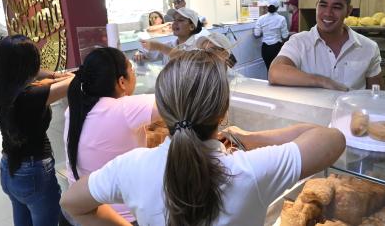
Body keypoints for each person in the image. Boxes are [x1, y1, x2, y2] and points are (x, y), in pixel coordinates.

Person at [60, 50, 345, 226]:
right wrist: (248, 138)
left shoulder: (130, 167)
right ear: (222, 111)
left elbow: (71, 203)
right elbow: (331, 139)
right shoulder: (250, 170)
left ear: (163, 109)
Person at [63, 47, 159, 225]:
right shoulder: (124, 109)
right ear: (122, 82)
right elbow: (179, 99)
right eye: (131, 68)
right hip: (122, 217)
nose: (134, 73)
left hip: (84, 209)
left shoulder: (74, 109)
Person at [0, 35, 74, 226]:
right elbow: (72, 83)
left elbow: (38, 77)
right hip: (33, 173)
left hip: (9, 169)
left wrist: (52, 76)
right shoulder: (30, 96)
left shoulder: (1, 86)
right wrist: (68, 75)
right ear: (29, 64)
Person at [269, 0, 384, 91]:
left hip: (351, 111)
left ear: (348, 11)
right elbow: (275, 72)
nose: (328, 13)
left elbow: (377, 95)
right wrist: (323, 81)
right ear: (316, 6)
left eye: (336, 7)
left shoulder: (369, 47)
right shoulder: (299, 42)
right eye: (323, 5)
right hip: (311, 111)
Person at [135, 7, 209, 64]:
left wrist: (160, 47)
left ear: (192, 27)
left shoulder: (199, 46)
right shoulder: (171, 44)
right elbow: (149, 54)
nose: (175, 23)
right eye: (174, 20)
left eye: (180, 20)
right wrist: (140, 53)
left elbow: (186, 59)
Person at [253, 0, 289, 70]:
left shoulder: (261, 18)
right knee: (278, 69)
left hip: (265, 48)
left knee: (269, 69)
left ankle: (270, 81)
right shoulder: (281, 19)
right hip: (277, 48)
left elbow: (256, 35)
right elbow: (285, 36)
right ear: (278, 7)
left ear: (267, 6)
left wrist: (265, 32)